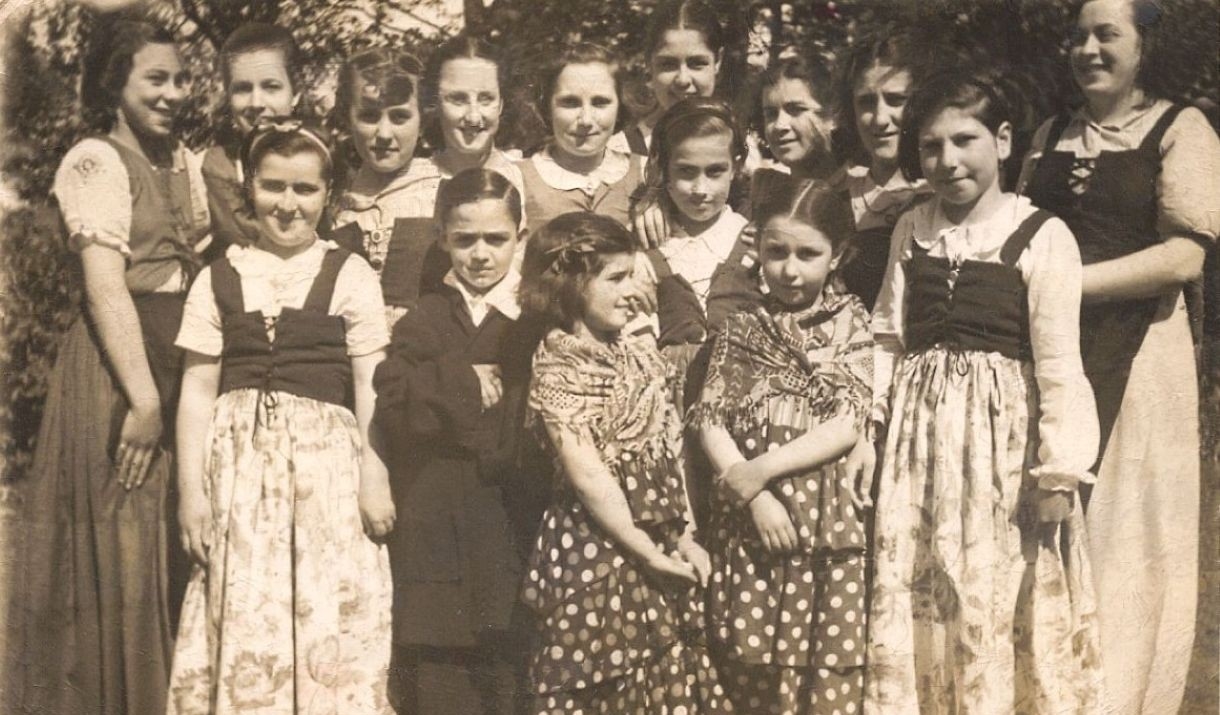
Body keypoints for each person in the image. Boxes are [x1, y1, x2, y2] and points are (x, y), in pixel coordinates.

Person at [866, 68, 1104, 713]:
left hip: (1001, 451)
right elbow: (888, 339)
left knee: (992, 590)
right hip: (917, 451)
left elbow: (1059, 363)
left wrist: (1059, 473)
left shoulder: (1041, 235)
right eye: (931, 147)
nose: (948, 160)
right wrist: (872, 432)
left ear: (1002, 141)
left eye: (964, 140)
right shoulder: (912, 230)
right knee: (923, 584)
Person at [1018, 0, 1220, 711]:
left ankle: (1122, 697)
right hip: (1051, 355)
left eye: (1108, 34)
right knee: (1049, 516)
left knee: (1127, 534)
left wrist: (1062, 288)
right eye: (1078, 35)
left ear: (1143, 46)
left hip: (1142, 358)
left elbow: (1183, 257)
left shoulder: (1180, 128)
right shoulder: (1049, 134)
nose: (1088, 49)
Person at [13, 20, 208, 715]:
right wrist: (145, 400)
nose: (174, 92)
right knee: (122, 554)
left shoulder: (178, 159)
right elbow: (104, 286)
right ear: (112, 84)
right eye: (155, 78)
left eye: (180, 78)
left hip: (174, 357)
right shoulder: (95, 160)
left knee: (169, 549)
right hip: (119, 372)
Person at [167, 122, 395, 714]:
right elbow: (196, 386)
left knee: (326, 611)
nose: (288, 205)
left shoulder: (349, 273)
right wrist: (191, 493)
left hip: (327, 479)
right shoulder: (217, 277)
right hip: (240, 478)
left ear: (327, 195)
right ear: (250, 191)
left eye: (304, 190)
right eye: (273, 188)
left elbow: (372, 381)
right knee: (246, 606)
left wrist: (375, 474)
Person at [517, 212, 730, 714]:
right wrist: (647, 552)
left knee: (665, 680)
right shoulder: (559, 364)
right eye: (615, 278)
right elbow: (589, 476)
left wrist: (685, 537)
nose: (631, 291)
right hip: (598, 546)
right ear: (569, 285)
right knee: (601, 682)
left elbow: (667, 450)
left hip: (660, 539)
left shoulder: (637, 352)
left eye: (633, 276)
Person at [693, 178, 871, 714]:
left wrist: (760, 470)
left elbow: (847, 420)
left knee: (822, 665)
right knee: (750, 664)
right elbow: (709, 419)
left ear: (837, 255)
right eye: (776, 252)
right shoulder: (742, 329)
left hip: (824, 524)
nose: (790, 270)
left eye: (808, 254)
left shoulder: (850, 323)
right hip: (755, 525)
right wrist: (754, 496)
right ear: (759, 252)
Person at [372, 169, 542, 714]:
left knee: (509, 675)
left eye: (496, 239)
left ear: (521, 234)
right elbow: (396, 407)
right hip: (435, 525)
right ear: (442, 237)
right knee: (440, 685)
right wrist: (470, 382)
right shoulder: (423, 317)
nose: (480, 255)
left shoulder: (535, 320)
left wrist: (442, 396)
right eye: (464, 239)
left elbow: (531, 415)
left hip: (509, 525)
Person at [633, 97, 759, 409]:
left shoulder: (754, 240)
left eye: (715, 171)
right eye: (686, 172)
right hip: (666, 406)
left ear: (736, 166)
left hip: (743, 403)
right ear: (664, 168)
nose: (700, 189)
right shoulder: (647, 246)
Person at [330, 47, 442, 327]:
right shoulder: (331, 199)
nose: (383, 134)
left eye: (400, 117)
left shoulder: (441, 189)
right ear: (346, 117)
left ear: (423, 120)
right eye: (369, 116)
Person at [834, 30, 934, 311]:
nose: (879, 119)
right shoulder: (835, 200)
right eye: (866, 102)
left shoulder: (947, 197)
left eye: (895, 100)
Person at [518, 43, 642, 236]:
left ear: (620, 107)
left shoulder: (645, 174)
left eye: (600, 102)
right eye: (570, 103)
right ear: (547, 108)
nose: (586, 120)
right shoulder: (518, 178)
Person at [199, 23, 300, 260]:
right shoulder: (218, 165)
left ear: (295, 93)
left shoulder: (319, 158)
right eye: (243, 89)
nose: (256, 102)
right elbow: (244, 235)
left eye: (271, 87)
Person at [612, 0, 724, 159]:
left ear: (718, 61)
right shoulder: (620, 151)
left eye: (697, 63)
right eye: (668, 64)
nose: (683, 80)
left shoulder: (739, 146)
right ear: (649, 64)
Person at [421, 35, 525, 204]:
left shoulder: (527, 179)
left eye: (486, 99)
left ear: (501, 105)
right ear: (436, 104)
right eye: (458, 99)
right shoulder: (415, 183)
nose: (473, 117)